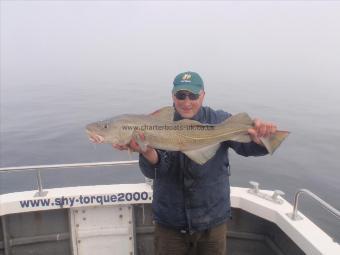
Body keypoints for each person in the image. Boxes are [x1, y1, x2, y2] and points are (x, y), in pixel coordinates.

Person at [113, 71, 277, 255]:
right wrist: (146, 151)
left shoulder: (219, 120)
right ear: (172, 96)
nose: (186, 102)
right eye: (181, 95)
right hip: (170, 223)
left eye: (193, 95)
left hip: (212, 222)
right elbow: (155, 171)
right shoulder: (156, 123)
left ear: (203, 95)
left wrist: (262, 140)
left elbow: (246, 148)